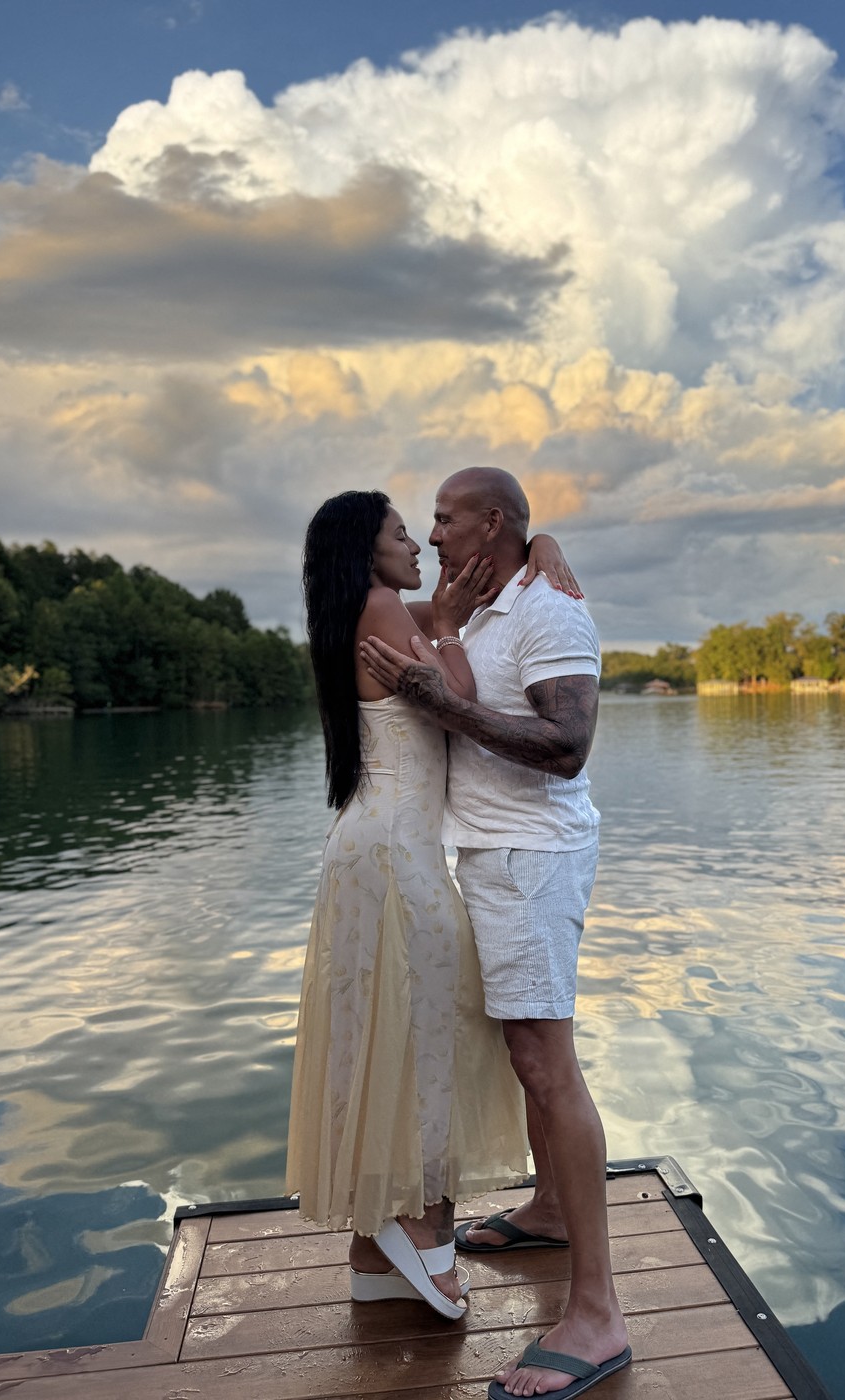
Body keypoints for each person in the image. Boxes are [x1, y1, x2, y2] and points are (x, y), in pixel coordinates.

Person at [360, 467, 631, 1399]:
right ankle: (550, 1208)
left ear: (492, 522)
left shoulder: (551, 613)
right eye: (426, 522)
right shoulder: (480, 609)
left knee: (547, 1062)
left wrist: (444, 706)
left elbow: (566, 749)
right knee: (524, 1055)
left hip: (531, 859)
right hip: (491, 855)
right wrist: (529, 549)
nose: (434, 534)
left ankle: (597, 1314)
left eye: (445, 518)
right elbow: (387, 613)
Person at [286, 489, 575, 1319]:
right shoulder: (381, 607)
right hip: (392, 858)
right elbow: (458, 692)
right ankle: (420, 1229)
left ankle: (372, 1252)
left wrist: (540, 542)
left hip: (373, 851)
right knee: (436, 1034)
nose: (418, 544)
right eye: (401, 533)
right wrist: (446, 627)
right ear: (366, 551)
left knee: (385, 1038)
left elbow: (470, 597)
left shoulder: (365, 607)